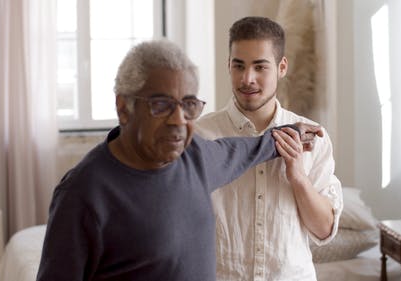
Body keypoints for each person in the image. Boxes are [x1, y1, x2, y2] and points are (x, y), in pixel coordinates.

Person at [35, 39, 323, 281]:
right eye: (160, 105)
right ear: (124, 108)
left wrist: (287, 133)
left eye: (188, 105)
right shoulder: (83, 194)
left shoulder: (194, 157)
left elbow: (239, 151)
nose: (178, 120)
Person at [195, 16, 343, 280]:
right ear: (228, 65)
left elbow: (323, 230)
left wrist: (298, 177)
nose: (247, 78)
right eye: (238, 66)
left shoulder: (314, 136)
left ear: (282, 67)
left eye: (260, 67)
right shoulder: (200, 135)